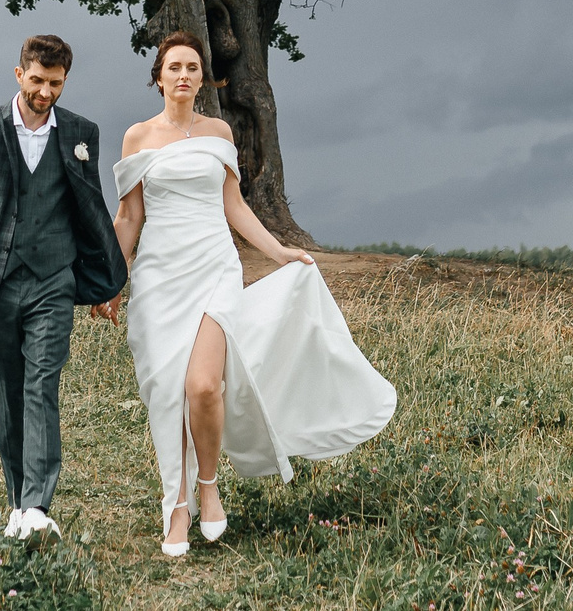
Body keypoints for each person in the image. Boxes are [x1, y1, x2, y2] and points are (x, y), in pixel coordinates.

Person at [114, 31, 397, 557]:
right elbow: (130, 216)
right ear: (157, 77)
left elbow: (235, 206)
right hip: (158, 278)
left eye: (192, 67)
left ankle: (208, 486)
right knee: (167, 392)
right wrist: (110, 276)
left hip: (214, 267)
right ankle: (175, 505)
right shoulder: (136, 138)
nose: (182, 75)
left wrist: (280, 251)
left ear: (202, 78)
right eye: (173, 66)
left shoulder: (220, 132)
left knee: (203, 386)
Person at [0, 34, 129, 540]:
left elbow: (92, 210)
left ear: (65, 81)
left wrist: (108, 280)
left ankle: (37, 507)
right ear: (19, 75)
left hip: (53, 281)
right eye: (38, 81)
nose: (46, 92)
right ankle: (17, 503)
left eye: (56, 83)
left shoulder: (81, 133)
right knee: (7, 394)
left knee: (42, 384)